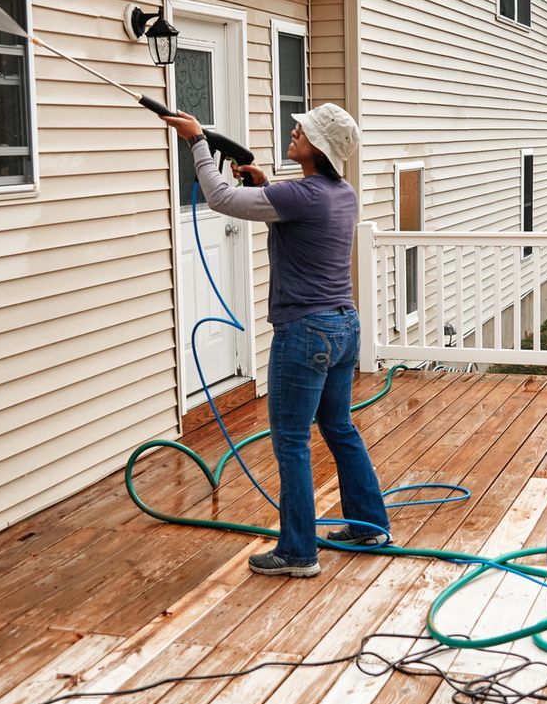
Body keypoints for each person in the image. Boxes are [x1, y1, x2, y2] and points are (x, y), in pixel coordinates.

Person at [161, 103, 390, 577]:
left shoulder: (302, 196)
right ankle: (369, 524)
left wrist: (197, 143)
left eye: (302, 131)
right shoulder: (340, 193)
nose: (294, 132)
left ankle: (297, 552)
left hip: (305, 332)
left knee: (290, 440)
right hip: (344, 326)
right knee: (339, 426)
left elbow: (221, 199)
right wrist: (265, 187)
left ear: (319, 147)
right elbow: (295, 216)